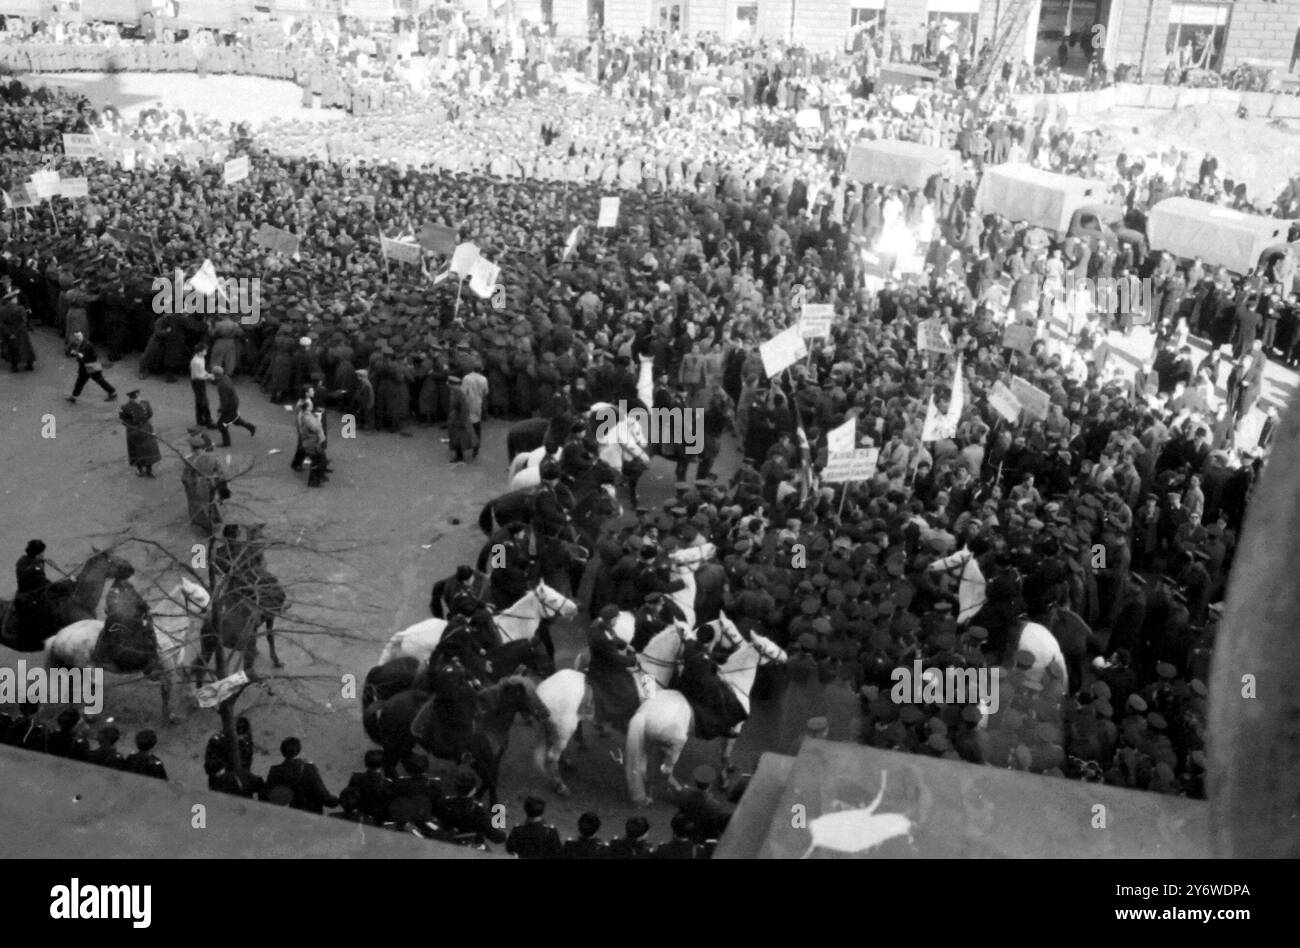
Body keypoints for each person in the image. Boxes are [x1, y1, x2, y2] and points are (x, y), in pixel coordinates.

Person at [585, 604, 640, 732]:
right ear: (612, 619)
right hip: (603, 669)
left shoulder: (602, 626)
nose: (617, 621)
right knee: (629, 691)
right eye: (616, 619)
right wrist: (633, 660)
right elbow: (615, 658)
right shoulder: (601, 637)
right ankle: (619, 721)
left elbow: (614, 637)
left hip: (605, 661)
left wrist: (625, 645)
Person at [263, 737, 338, 814]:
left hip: (284, 815)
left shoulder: (275, 771)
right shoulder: (308, 769)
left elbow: (267, 796)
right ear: (298, 750)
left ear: (282, 751)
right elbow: (322, 795)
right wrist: (336, 801)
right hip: (309, 814)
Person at [438, 767, 507, 845]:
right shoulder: (478, 812)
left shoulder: (445, 803)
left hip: (447, 839)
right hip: (470, 843)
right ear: (473, 790)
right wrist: (504, 835)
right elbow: (497, 838)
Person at [65, 330, 117, 403]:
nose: (77, 338)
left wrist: (80, 356)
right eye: (75, 336)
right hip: (85, 367)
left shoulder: (87, 345)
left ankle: (112, 392)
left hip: (90, 366)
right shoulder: (76, 344)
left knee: (99, 381)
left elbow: (93, 356)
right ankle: (74, 397)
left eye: (78, 336)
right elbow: (69, 353)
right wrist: (73, 353)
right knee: (81, 382)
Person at [118, 390, 161, 477]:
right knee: (137, 452)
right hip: (134, 431)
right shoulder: (125, 407)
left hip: (146, 429)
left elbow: (150, 414)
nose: (137, 399)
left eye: (137, 397)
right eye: (135, 398)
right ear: (131, 399)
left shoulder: (145, 403)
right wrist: (131, 426)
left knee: (150, 450)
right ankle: (140, 470)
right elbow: (123, 420)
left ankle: (149, 470)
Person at [345, 749, 395, 824]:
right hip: (377, 821)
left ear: (366, 763)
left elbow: (349, 797)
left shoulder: (356, 778)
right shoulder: (387, 784)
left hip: (360, 816)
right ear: (382, 765)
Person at [211, 366, 256, 446]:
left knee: (221, 424)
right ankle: (251, 427)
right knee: (235, 419)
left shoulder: (221, 386)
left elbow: (224, 401)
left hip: (229, 406)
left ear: (216, 376)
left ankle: (226, 442)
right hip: (234, 402)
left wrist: (220, 411)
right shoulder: (226, 377)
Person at [0, 286, 35, 371]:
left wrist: (9, 333)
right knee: (25, 348)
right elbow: (24, 320)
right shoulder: (20, 308)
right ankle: (29, 364)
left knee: (12, 349)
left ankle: (14, 366)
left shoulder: (2, 310)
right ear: (13, 299)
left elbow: (1, 323)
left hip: (9, 330)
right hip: (20, 331)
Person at [296, 400, 328, 488]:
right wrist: (318, 419)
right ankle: (314, 481)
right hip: (313, 443)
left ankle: (318, 478)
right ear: (308, 407)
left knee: (319, 459)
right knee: (317, 461)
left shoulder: (306, 415)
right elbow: (316, 427)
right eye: (310, 404)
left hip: (312, 442)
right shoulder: (307, 417)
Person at [190, 343, 215, 428]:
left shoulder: (201, 358)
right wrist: (208, 377)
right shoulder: (195, 361)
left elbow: (202, 370)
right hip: (197, 382)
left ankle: (200, 420)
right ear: (200, 352)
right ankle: (209, 421)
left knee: (199, 401)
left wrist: (207, 374)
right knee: (204, 402)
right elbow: (197, 375)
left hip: (200, 381)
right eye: (205, 350)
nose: (206, 352)